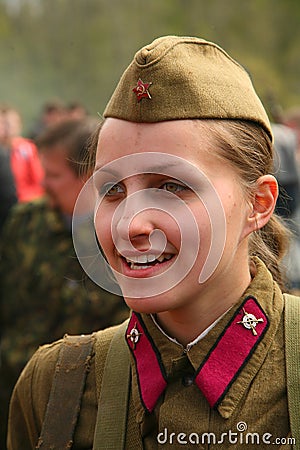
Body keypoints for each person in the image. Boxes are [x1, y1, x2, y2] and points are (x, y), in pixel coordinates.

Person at [7, 36, 299, 449]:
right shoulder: (56, 388)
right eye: (112, 190)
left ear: (259, 203)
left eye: (172, 186)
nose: (131, 224)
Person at [1, 118, 128, 448]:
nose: (43, 184)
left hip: (81, 403)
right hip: (11, 387)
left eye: (54, 175)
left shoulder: (120, 237)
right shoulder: (25, 222)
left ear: (88, 178)